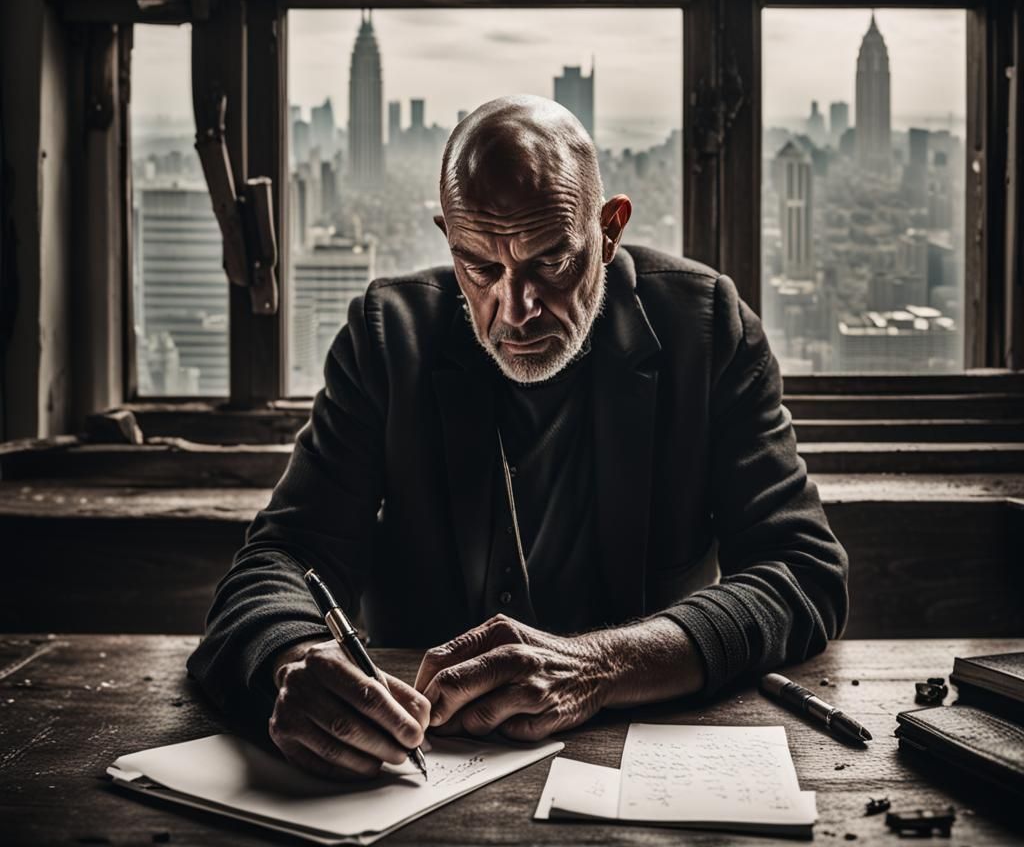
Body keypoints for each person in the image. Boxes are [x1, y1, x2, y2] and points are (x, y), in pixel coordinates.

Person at [188, 94, 849, 781]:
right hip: (418, 767)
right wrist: (292, 664)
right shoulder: (388, 337)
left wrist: (604, 665)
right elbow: (284, 557)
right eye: (479, 266)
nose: (516, 307)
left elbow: (803, 571)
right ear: (448, 236)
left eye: (551, 261)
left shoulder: (706, 328)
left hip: (639, 764)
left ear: (609, 228)